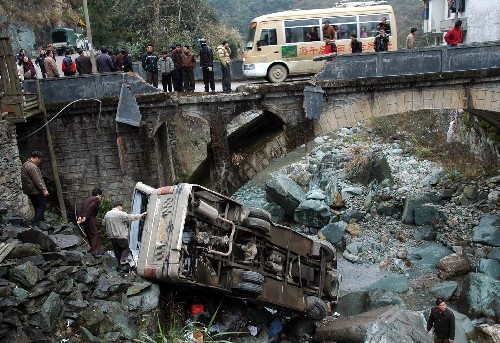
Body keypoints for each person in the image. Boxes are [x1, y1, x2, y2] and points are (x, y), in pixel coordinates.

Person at [103, 201, 146, 270]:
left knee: (117, 251)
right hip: (120, 235)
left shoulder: (107, 214)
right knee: (126, 248)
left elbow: (103, 223)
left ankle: (119, 266)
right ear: (119, 207)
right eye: (121, 208)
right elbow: (130, 217)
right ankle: (123, 260)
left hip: (112, 236)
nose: (122, 209)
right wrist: (141, 215)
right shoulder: (120, 213)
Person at [21, 151, 49, 228]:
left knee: (37, 206)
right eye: (40, 159)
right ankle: (35, 223)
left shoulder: (25, 164)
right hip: (35, 190)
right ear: (36, 158)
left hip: (29, 190)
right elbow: (37, 180)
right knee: (42, 205)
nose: (40, 161)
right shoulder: (32, 167)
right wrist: (44, 190)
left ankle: (40, 221)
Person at [77, 188, 103, 257]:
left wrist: (80, 216)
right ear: (98, 195)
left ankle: (91, 248)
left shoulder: (86, 200)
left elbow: (79, 208)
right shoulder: (96, 199)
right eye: (101, 196)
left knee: (89, 234)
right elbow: (91, 207)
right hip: (90, 219)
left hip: (84, 220)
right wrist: (85, 216)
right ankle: (94, 251)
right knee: (95, 234)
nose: (100, 198)